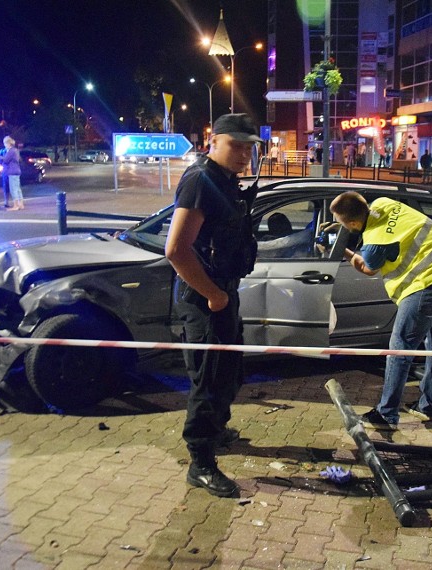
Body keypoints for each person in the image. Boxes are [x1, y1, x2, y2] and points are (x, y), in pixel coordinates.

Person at [164, 113, 261, 498]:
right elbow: (176, 250)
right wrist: (214, 295)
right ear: (213, 141)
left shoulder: (224, 181)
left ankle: (216, 430)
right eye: (235, 145)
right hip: (206, 298)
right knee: (209, 380)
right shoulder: (201, 181)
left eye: (248, 146)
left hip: (221, 292)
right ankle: (200, 463)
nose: (243, 154)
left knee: (229, 371)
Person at [329, 191, 432, 429]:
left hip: (428, 283)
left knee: (400, 348)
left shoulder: (373, 245)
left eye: (344, 224)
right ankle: (429, 407)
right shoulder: (384, 203)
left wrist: (341, 248)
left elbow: (368, 267)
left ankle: (387, 414)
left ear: (352, 223)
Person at [1, 136, 23, 210]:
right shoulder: (16, 150)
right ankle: (21, 204)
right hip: (17, 170)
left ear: (8, 143)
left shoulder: (11, 151)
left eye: (5, 143)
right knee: (17, 188)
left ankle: (16, 206)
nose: (4, 145)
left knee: (13, 189)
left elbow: (6, 160)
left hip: (12, 171)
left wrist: (1, 157)